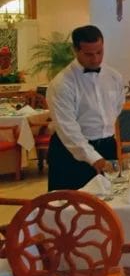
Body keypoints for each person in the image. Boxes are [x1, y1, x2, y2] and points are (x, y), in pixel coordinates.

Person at [46, 25, 124, 190]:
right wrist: (94, 158)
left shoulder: (114, 77)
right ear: (75, 50)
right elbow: (67, 128)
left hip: (107, 148)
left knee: (110, 201)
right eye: (88, 54)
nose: (95, 59)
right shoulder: (62, 84)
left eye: (99, 52)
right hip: (71, 153)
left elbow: (117, 108)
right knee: (70, 203)